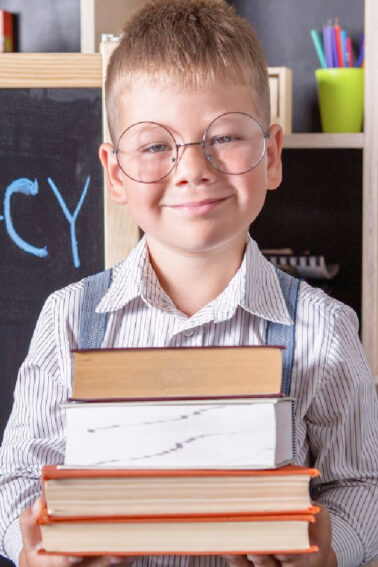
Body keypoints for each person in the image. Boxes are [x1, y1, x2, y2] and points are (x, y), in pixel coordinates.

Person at [0, 1, 377, 567]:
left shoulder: (324, 328)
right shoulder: (68, 321)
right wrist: (32, 552)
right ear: (116, 174)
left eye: (224, 136)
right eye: (155, 145)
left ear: (271, 156)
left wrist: (329, 550)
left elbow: (362, 486)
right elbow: (20, 481)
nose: (193, 168)